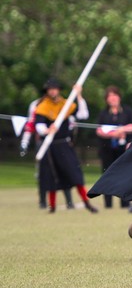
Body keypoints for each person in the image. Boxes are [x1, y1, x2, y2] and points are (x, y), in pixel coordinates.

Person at [34, 78, 98, 213]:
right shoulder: (42, 106)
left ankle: (86, 203)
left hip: (65, 145)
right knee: (53, 176)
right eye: (50, 89)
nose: (52, 91)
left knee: (75, 173)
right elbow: (39, 125)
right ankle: (52, 206)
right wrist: (47, 130)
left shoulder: (66, 104)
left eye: (54, 88)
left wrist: (79, 95)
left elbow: (83, 114)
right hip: (50, 146)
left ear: (58, 90)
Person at [21, 98, 74, 209]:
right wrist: (24, 142)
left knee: (63, 170)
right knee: (43, 173)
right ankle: (43, 201)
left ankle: (69, 201)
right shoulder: (36, 104)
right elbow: (31, 123)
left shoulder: (62, 104)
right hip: (43, 142)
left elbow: (70, 124)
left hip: (59, 143)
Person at [95, 86, 132, 209]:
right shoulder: (103, 114)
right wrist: (113, 134)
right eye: (110, 96)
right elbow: (99, 130)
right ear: (107, 99)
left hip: (123, 149)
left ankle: (125, 202)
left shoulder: (127, 111)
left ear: (119, 97)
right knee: (107, 174)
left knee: (124, 174)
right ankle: (108, 204)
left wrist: (122, 129)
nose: (113, 98)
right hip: (107, 149)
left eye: (115, 95)